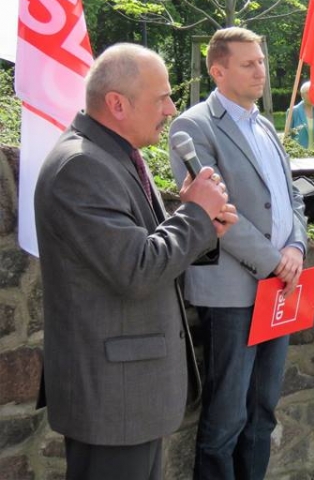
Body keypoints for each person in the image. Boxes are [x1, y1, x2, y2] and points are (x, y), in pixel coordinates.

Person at [36, 44, 237, 480]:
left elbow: (145, 247)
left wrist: (202, 225)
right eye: (161, 98)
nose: (171, 109)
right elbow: (137, 269)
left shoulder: (113, 154)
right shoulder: (82, 166)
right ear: (117, 104)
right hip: (113, 395)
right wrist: (195, 215)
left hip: (129, 392)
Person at [169, 27, 308, 480]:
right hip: (232, 293)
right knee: (226, 417)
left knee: (263, 411)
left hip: (278, 288)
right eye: (248, 63)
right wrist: (275, 262)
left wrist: (296, 246)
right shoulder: (193, 126)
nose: (260, 70)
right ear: (218, 70)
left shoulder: (264, 125)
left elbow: (292, 196)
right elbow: (215, 212)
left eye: (261, 61)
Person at [287, 80, 314, 153]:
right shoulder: (293, 111)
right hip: (300, 155)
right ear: (302, 95)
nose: (312, 95)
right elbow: (287, 136)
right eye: (308, 93)